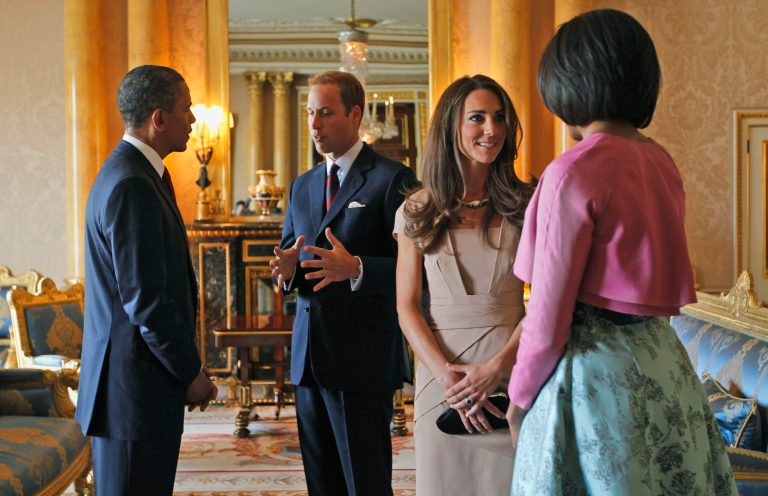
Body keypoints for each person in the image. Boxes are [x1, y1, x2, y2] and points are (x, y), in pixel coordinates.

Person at [506, 9, 737, 494]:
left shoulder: (572, 171)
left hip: (594, 378)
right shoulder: (660, 162)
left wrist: (519, 398)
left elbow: (548, 317)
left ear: (571, 82)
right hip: (665, 367)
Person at [269, 70, 416, 496]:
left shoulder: (394, 179)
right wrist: (286, 269)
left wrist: (357, 269)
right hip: (308, 358)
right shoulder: (302, 185)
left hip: (363, 360)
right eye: (311, 113)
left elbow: (418, 271)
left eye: (326, 113)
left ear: (355, 114)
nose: (314, 124)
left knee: (365, 483)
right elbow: (290, 258)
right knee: (322, 485)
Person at [76, 65, 218, 495]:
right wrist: (190, 371)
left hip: (137, 389)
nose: (193, 119)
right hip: (132, 394)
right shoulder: (131, 184)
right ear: (159, 118)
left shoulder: (138, 174)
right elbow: (147, 302)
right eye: (187, 108)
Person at [394, 75, 531, 495]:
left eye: (500, 118)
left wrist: (497, 367)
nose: (491, 129)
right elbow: (407, 307)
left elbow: (546, 303)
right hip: (442, 384)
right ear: (452, 126)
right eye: (477, 118)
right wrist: (447, 379)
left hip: (511, 377)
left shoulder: (529, 205)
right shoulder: (416, 209)